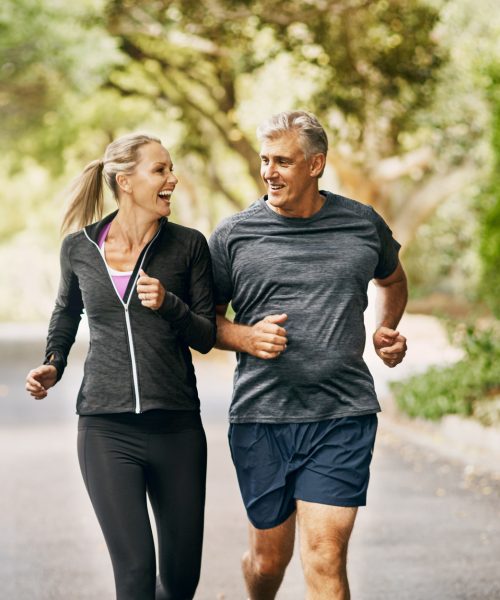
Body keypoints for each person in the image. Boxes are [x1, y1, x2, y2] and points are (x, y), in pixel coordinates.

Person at [208, 111, 408, 600]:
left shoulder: (361, 224)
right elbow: (205, 321)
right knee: (267, 561)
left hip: (342, 414)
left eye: (282, 161)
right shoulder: (234, 235)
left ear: (316, 164)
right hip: (262, 417)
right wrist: (245, 337)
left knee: (323, 554)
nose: (269, 172)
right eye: (264, 161)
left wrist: (387, 327)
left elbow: (393, 279)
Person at [25, 133, 216, 600]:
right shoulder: (79, 248)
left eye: (170, 169)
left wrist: (169, 304)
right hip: (106, 430)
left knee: (179, 581)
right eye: (161, 170)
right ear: (126, 181)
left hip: (177, 427)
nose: (172, 179)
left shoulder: (189, 246)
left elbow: (207, 334)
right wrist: (54, 363)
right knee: (133, 576)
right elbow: (66, 312)